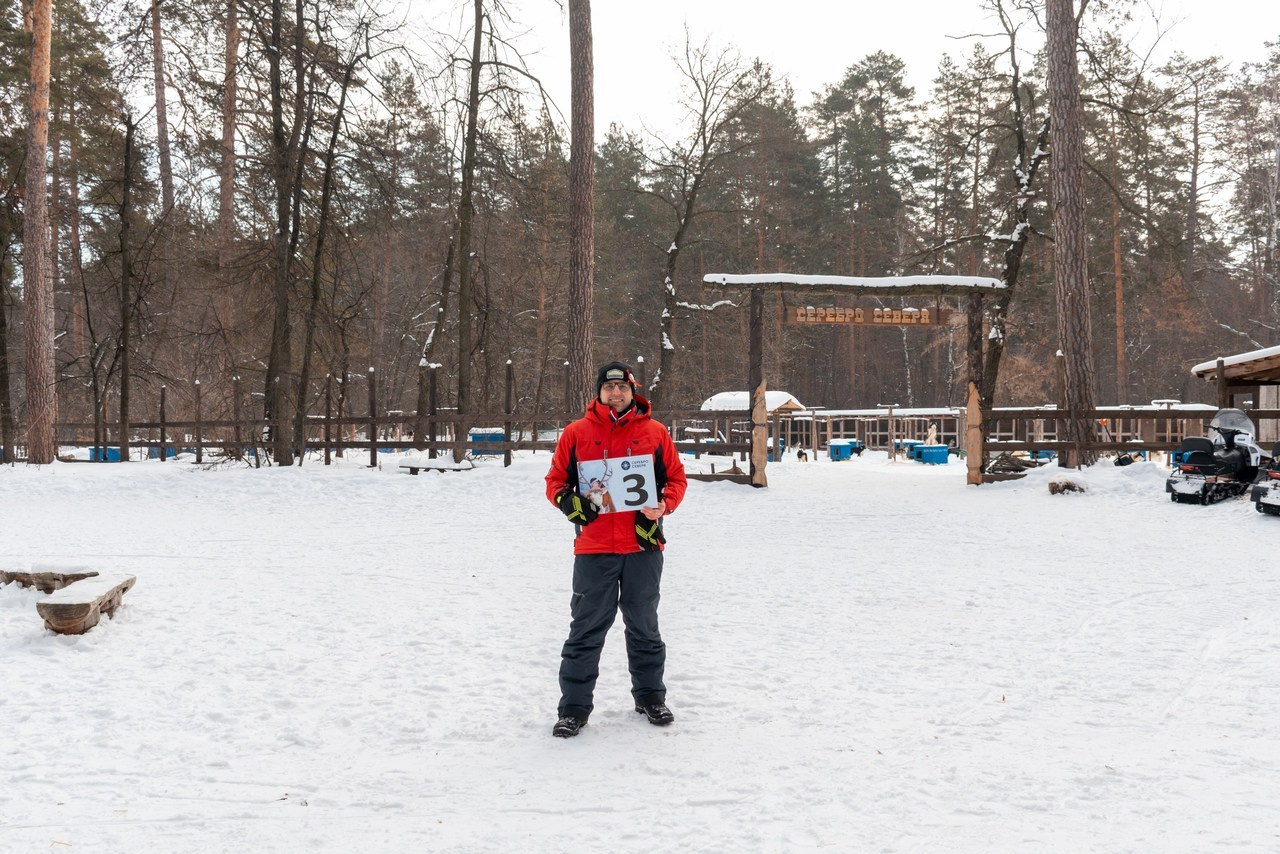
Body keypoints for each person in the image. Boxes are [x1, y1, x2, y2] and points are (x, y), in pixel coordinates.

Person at [545, 361, 688, 738]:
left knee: (644, 626)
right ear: (598, 392)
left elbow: (676, 478)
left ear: (632, 390)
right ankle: (574, 708)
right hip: (594, 548)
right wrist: (568, 502)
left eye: (621, 387)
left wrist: (664, 505)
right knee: (586, 629)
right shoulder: (576, 433)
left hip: (643, 544)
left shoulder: (655, 432)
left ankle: (650, 697)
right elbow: (555, 481)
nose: (615, 393)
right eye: (608, 388)